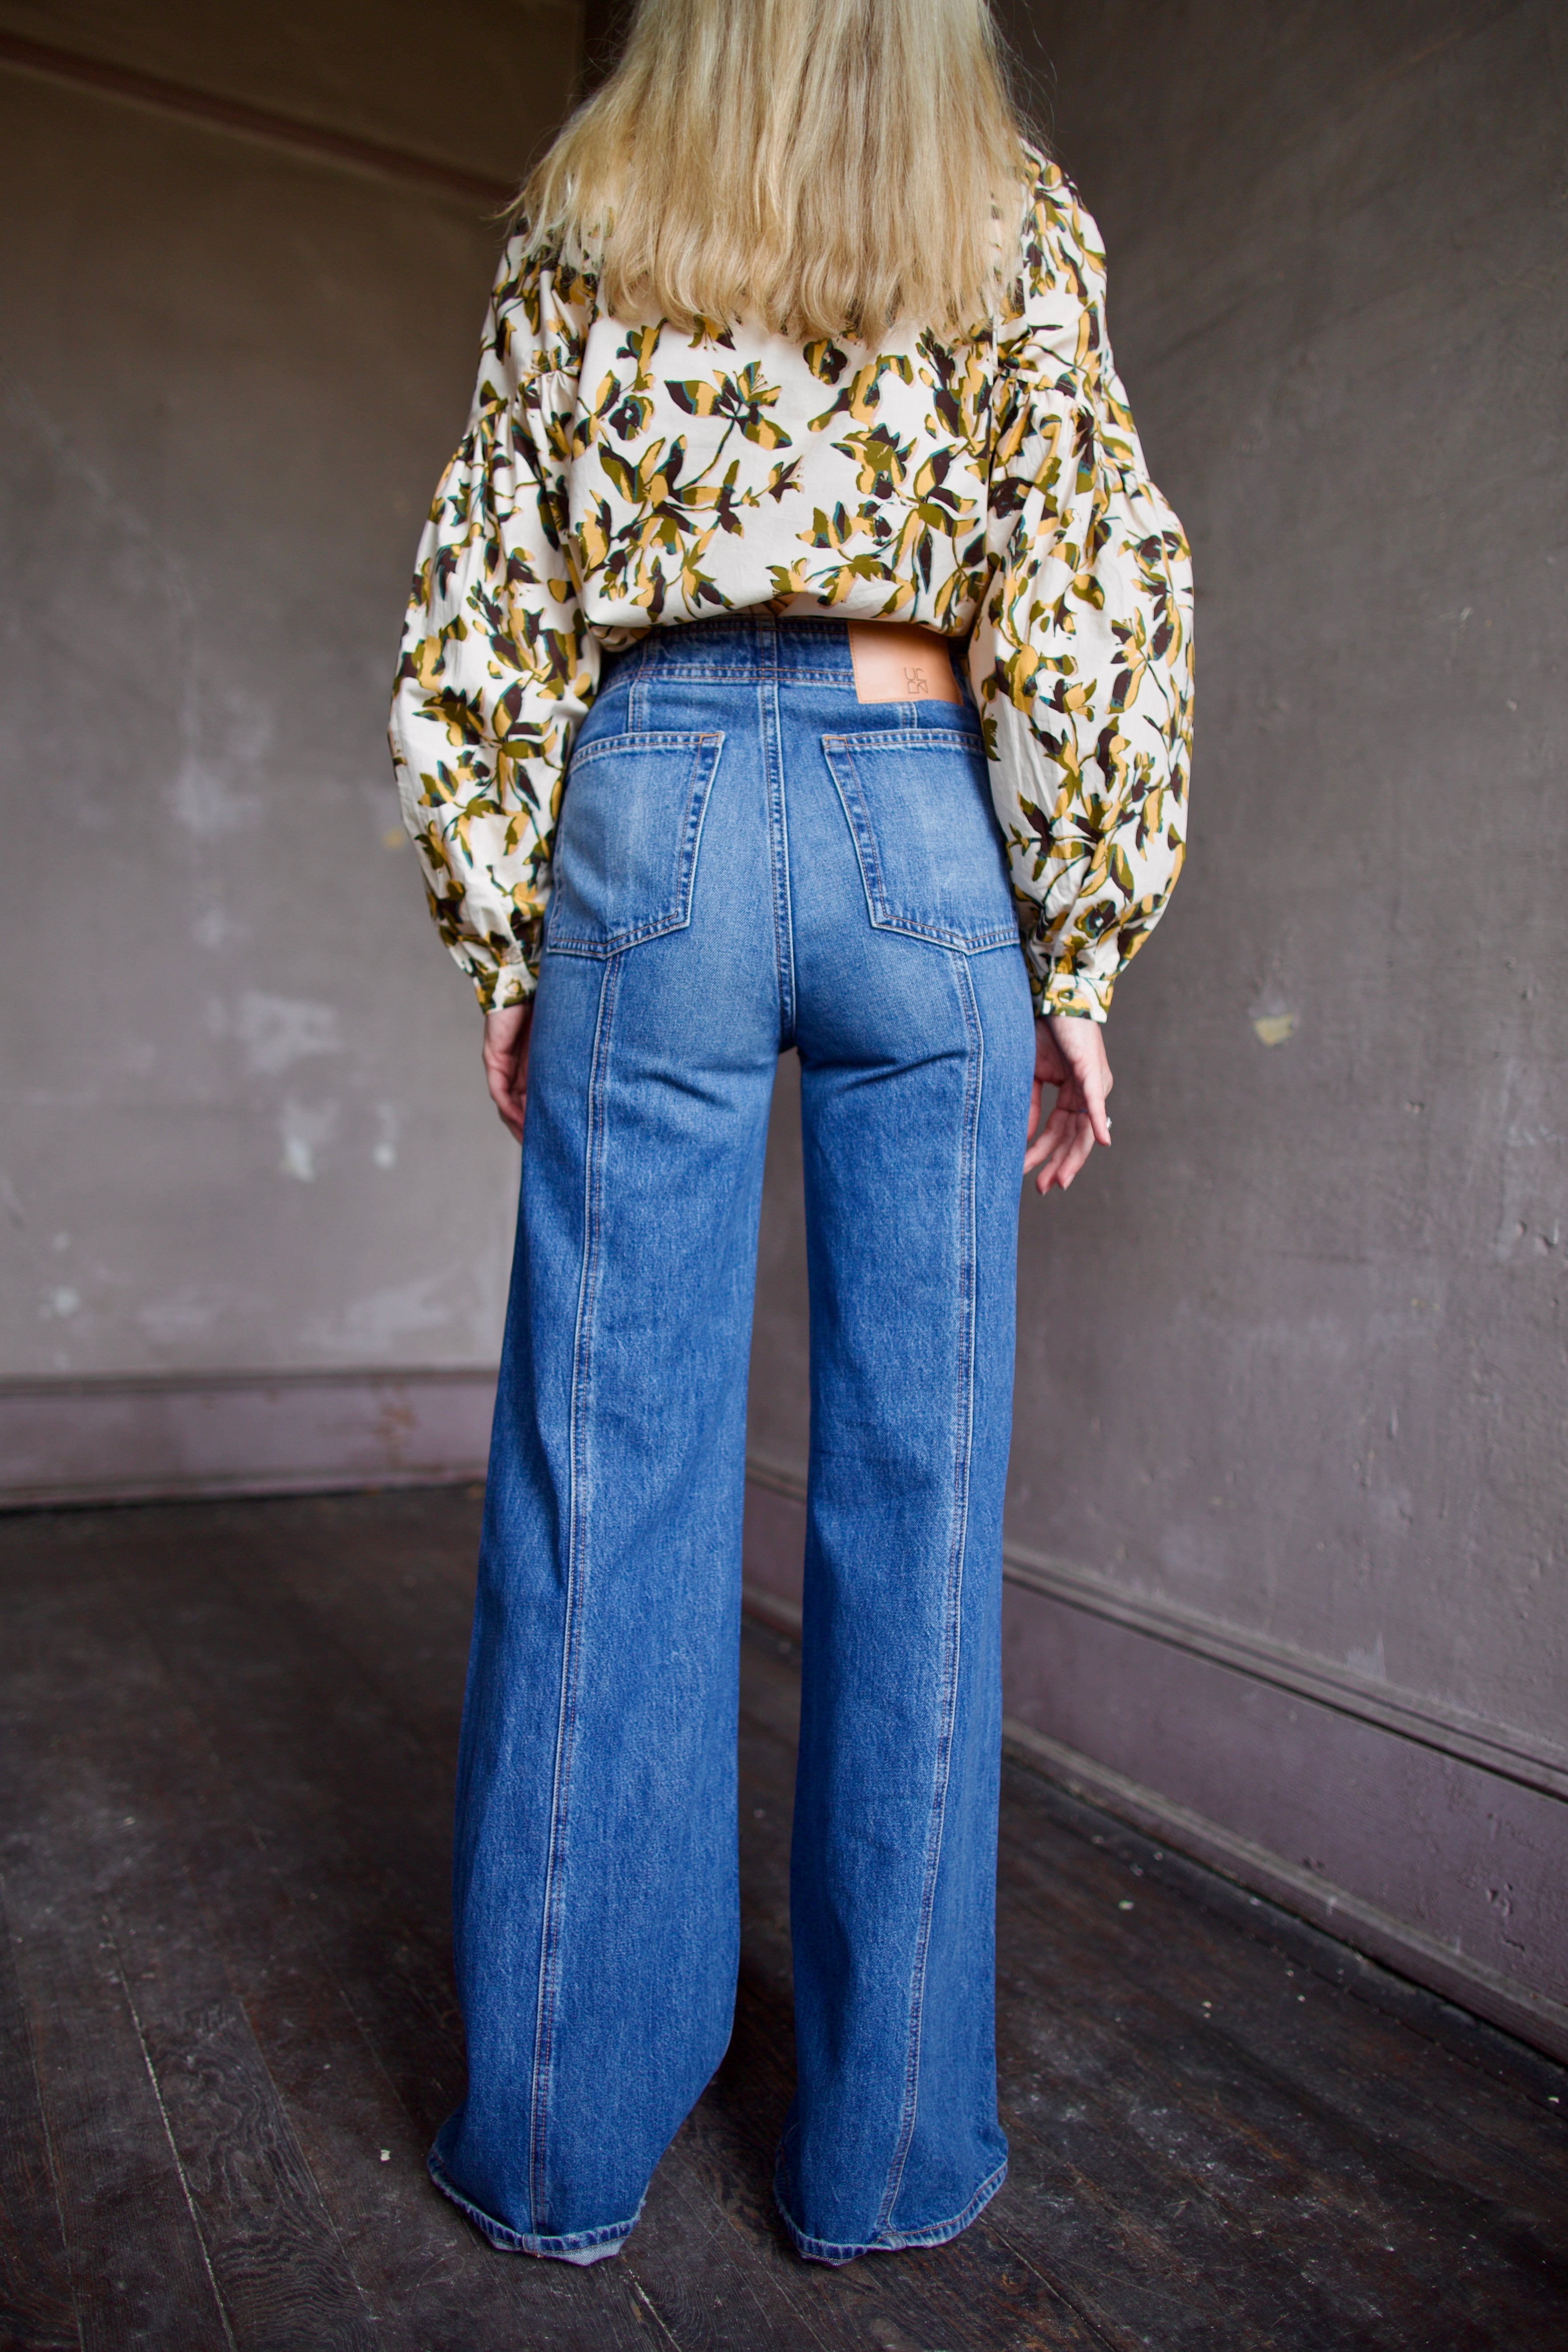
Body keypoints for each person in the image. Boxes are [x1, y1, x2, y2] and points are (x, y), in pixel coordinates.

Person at [389, 0, 1191, 2271]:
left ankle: (554, 2149)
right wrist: (1082, 949)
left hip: (643, 799)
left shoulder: (591, 208)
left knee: (598, 1474)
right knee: (916, 1502)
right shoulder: (1006, 211)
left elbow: (486, 588)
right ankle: (882, 2157)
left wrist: (504, 929)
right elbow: (1094, 584)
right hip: (917, 810)